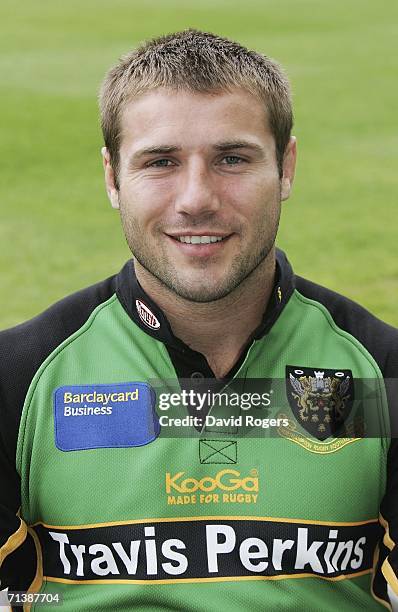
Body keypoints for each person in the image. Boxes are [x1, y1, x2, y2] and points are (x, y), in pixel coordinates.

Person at [0, 28, 397, 611]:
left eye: (232, 159)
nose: (196, 198)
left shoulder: (379, 374)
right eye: (160, 161)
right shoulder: (19, 377)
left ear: (285, 167)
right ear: (113, 178)